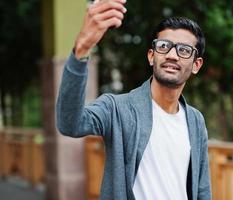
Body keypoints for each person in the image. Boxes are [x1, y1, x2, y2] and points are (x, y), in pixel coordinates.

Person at [56, 0, 211, 199]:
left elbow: (202, 189)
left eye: (184, 50)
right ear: (151, 56)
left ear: (196, 64)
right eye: (164, 46)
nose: (172, 55)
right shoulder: (117, 108)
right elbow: (70, 123)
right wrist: (82, 50)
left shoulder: (196, 121)